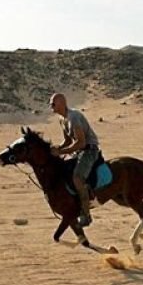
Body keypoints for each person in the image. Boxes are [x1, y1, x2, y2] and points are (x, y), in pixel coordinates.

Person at [49, 93, 101, 226]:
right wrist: (58, 148)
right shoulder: (62, 119)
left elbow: (81, 142)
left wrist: (61, 152)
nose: (51, 106)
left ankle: (85, 214)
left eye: (53, 104)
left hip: (89, 150)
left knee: (77, 178)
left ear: (61, 103)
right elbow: (67, 140)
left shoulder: (74, 117)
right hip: (78, 152)